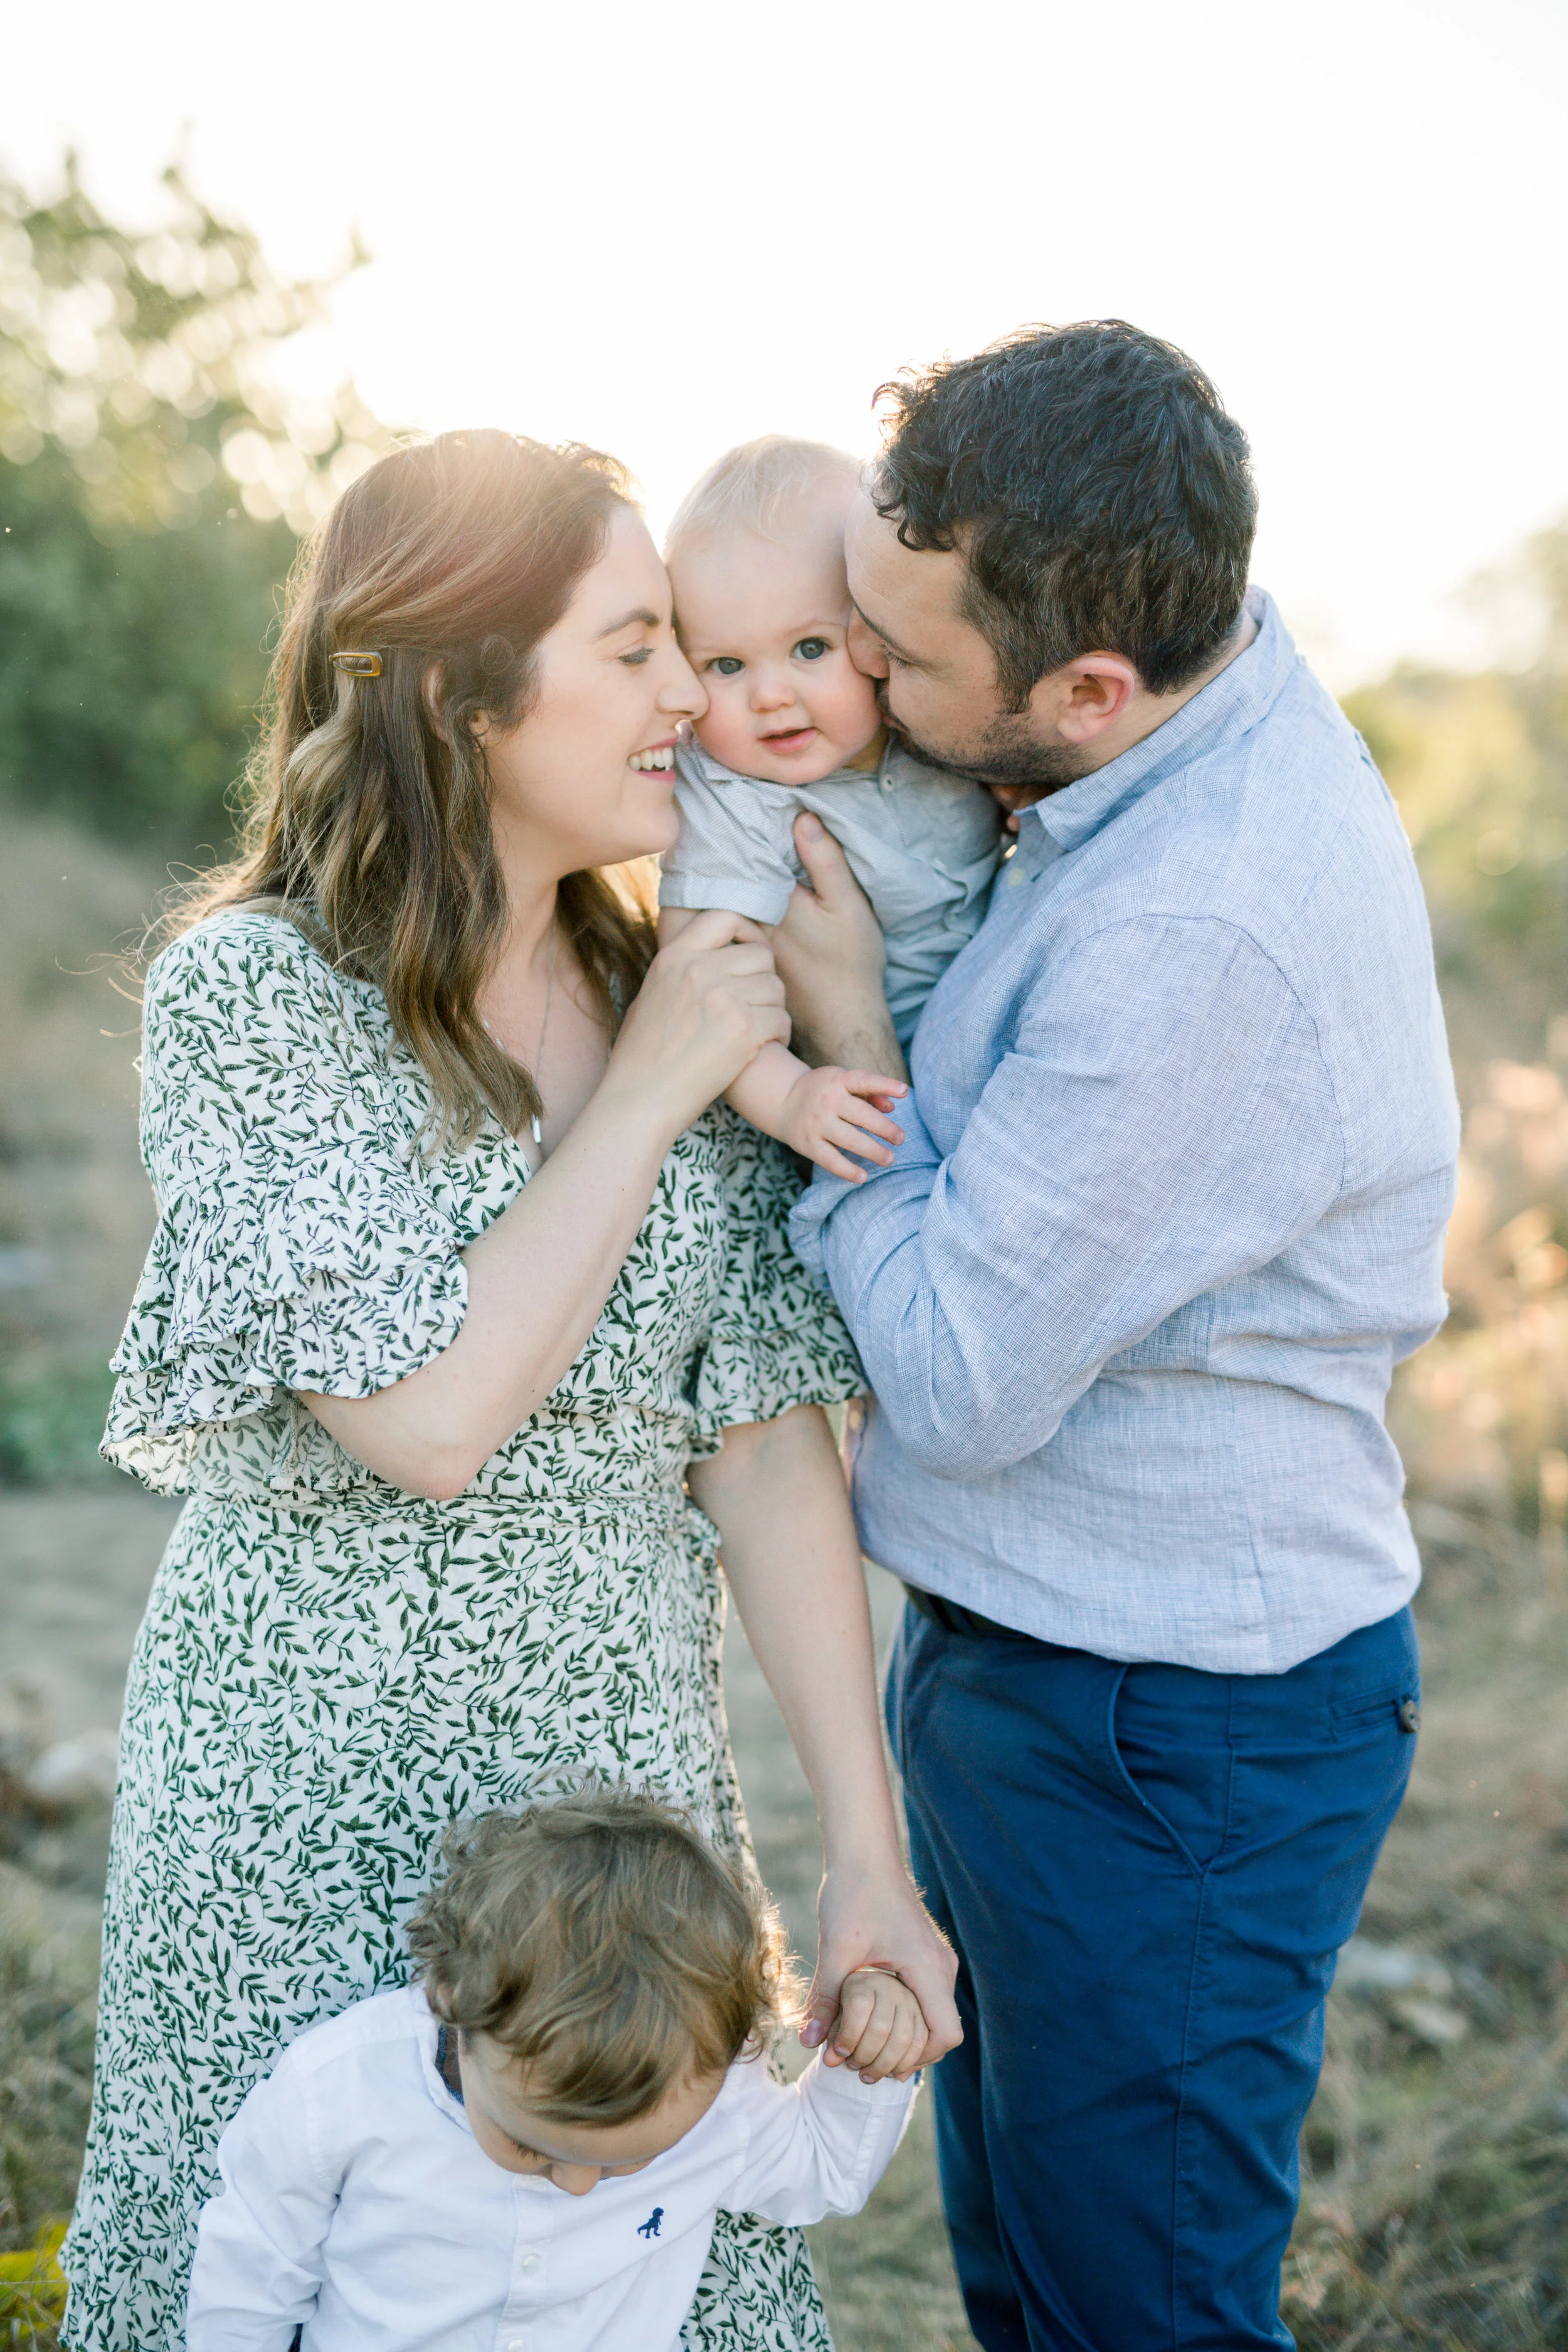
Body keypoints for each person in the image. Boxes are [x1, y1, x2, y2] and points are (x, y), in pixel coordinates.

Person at [61, 429, 957, 2352]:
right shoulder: (261, 993)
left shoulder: (685, 972)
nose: (689, 695)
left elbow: (763, 1446)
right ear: (457, 690)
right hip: (301, 1793)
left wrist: (866, 1857)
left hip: (616, 1791)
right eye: (634, 648)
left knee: (651, 2265)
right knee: (281, 2264)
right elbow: (425, 1420)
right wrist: (647, 1088)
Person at [776, 324, 1461, 2349]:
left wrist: (845, 1043)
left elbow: (960, 1380)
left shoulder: (1199, 924)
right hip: (1061, 1668)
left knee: (1131, 2314)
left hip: (1161, 1737)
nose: (857, 674)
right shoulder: (1159, 707)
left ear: (1088, 687)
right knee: (1038, 2281)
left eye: (895, 657)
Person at [188, 1793, 921, 2351]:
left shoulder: (715, 2099)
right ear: (455, 2000)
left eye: (632, 2162)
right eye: (528, 2146)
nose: (575, 2186)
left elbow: (825, 2168)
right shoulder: (343, 2088)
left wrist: (874, 2046)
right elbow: (253, 2271)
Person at [657, 435, 1004, 1182]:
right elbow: (700, 994)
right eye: (725, 664)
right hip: (848, 1096)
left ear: (881, 634)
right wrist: (789, 1099)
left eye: (810, 649)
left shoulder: (934, 722)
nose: (770, 695)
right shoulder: (730, 795)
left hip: (1000, 1046)